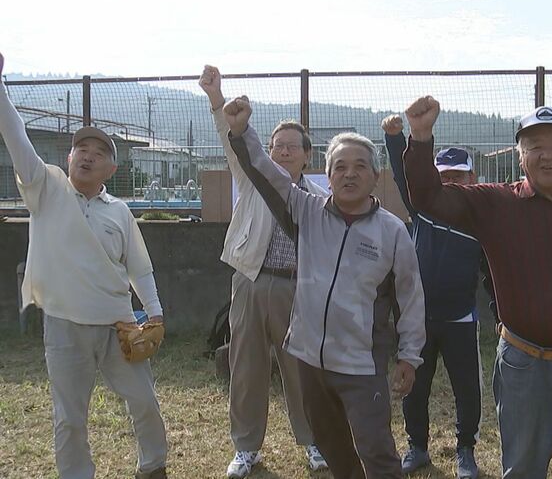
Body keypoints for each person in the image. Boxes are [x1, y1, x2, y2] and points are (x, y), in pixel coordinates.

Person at [402, 98, 552, 478]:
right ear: (520, 157)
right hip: (525, 364)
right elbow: (429, 198)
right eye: (534, 147)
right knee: (524, 468)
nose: (547, 155)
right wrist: (420, 137)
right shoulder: (495, 203)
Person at [223, 95, 426, 478]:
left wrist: (409, 355)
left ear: (374, 175)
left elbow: (410, 299)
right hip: (309, 359)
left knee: (376, 450)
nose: (350, 174)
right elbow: (266, 172)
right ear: (327, 175)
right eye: (340, 167)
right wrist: (241, 131)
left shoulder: (392, 231)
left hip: (360, 364)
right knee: (333, 447)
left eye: (360, 167)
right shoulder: (307, 211)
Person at [0, 52, 169, 479]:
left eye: (98, 152)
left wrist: (155, 312)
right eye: (80, 149)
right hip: (64, 325)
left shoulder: (120, 212)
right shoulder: (46, 189)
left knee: (144, 401)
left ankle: (154, 466)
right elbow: (17, 137)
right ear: (70, 157)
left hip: (118, 324)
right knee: (70, 416)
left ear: (113, 167)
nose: (87, 156)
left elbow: (140, 267)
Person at [197, 66, 329, 478]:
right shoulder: (250, 179)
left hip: (298, 288)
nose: (285, 152)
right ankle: (246, 448)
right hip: (251, 281)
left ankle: (314, 443)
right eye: (277, 146)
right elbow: (229, 139)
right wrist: (217, 101)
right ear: (267, 151)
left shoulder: (319, 199)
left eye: (293, 146)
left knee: (302, 370)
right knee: (247, 366)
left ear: (309, 155)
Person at [382, 114, 483, 478]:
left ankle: (466, 451)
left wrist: (500, 312)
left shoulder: (479, 219)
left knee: (466, 389)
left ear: (472, 178)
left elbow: (492, 274)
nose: (451, 180)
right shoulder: (421, 211)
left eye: (458, 175)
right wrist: (396, 139)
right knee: (415, 388)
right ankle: (417, 447)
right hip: (418, 320)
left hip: (460, 319)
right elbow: (401, 173)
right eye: (444, 175)